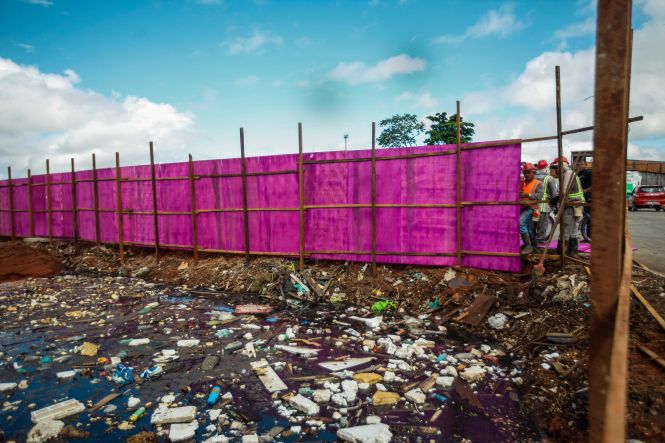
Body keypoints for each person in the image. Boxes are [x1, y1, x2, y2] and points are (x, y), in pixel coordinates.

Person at [549, 156, 585, 257]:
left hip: (571, 204)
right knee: (573, 229)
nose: (556, 170)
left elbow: (564, 192)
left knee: (566, 228)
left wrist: (557, 203)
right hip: (575, 204)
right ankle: (572, 251)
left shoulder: (568, 174)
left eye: (557, 167)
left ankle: (562, 251)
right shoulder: (569, 173)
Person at [520, 163, 543, 255]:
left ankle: (528, 246)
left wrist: (528, 195)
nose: (527, 175)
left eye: (529, 172)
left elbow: (540, 197)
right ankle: (533, 246)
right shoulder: (522, 183)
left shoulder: (538, 184)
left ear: (533, 172)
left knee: (520, 224)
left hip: (531, 208)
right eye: (525, 173)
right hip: (521, 207)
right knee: (529, 229)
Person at [536, 165, 558, 244]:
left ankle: (533, 239)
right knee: (543, 224)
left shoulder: (533, 176)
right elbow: (554, 194)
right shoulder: (549, 178)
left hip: (533, 204)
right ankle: (540, 240)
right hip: (544, 206)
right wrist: (555, 206)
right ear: (546, 168)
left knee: (534, 223)